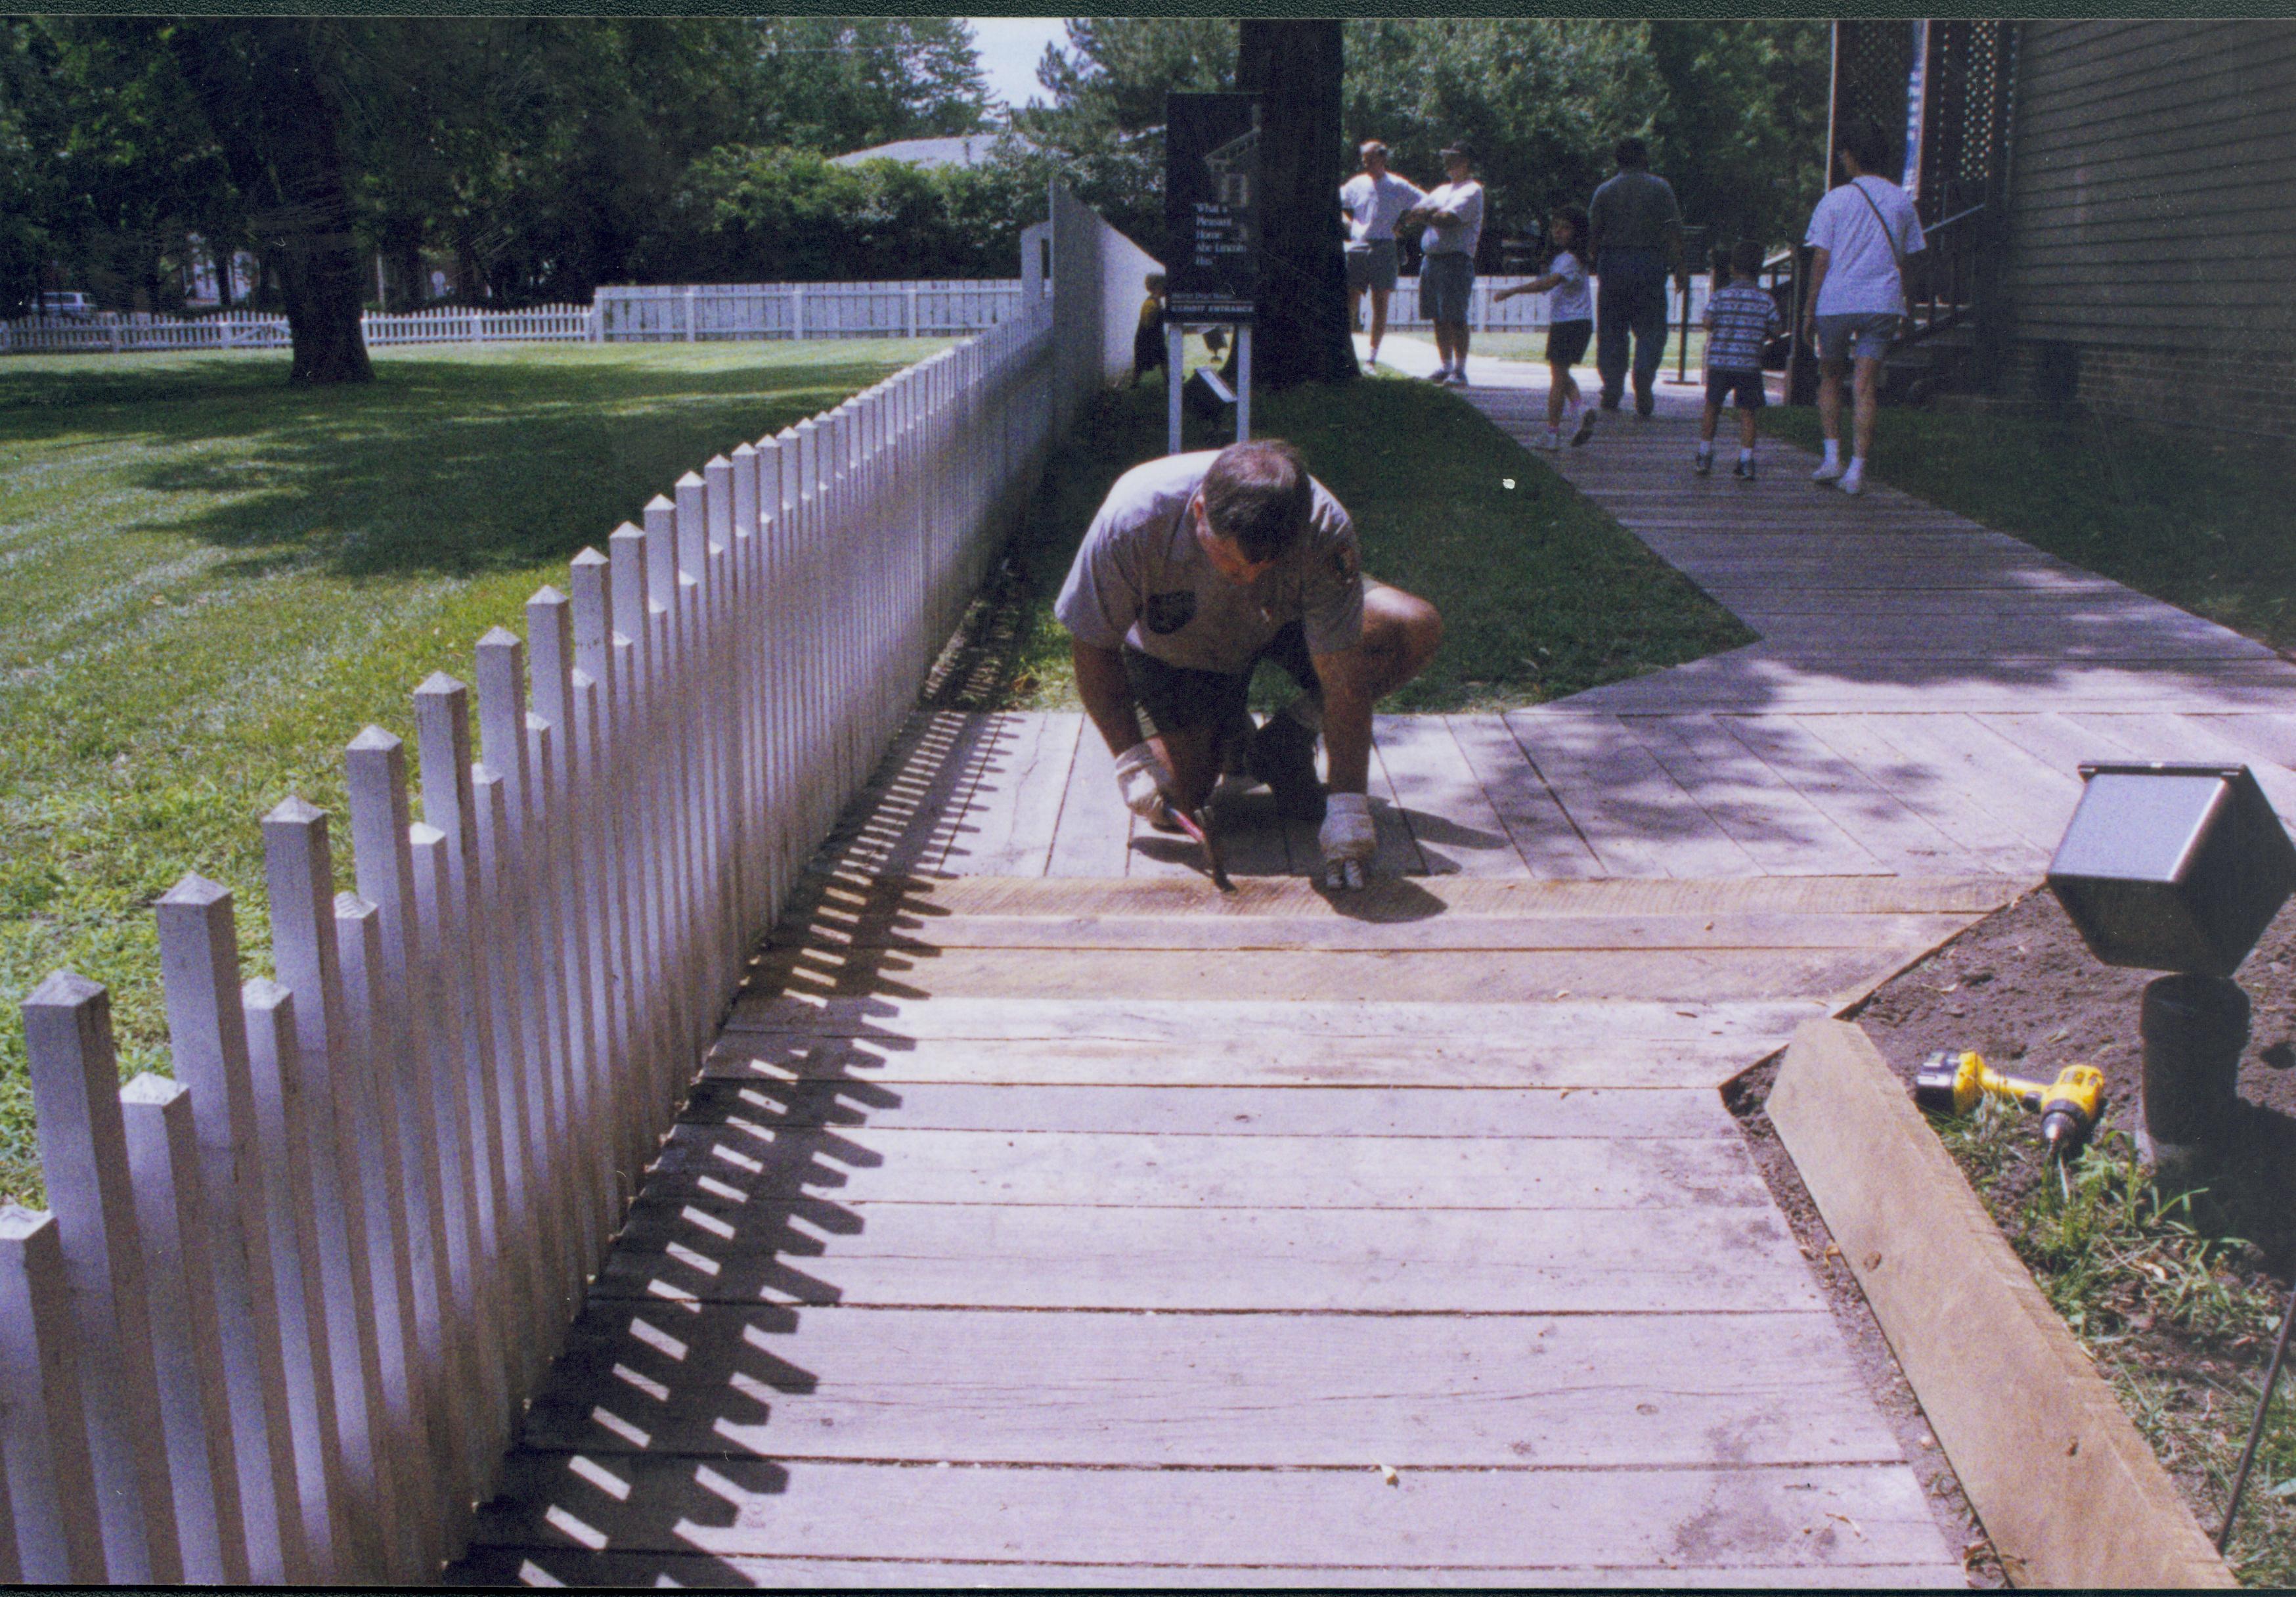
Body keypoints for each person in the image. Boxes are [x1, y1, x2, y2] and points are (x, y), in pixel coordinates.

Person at [1055, 440, 1444, 890]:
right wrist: (1130, 759)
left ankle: (1282, 742)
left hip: (1280, 624)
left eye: (1267, 565)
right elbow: (1092, 645)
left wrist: (1349, 804)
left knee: (1410, 628)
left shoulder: (1322, 528)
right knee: (1177, 797)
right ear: (1200, 510)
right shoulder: (1133, 520)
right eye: (1233, 563)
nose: (1251, 577)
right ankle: (1223, 727)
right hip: (1179, 654)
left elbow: (1345, 680)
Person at [1800, 118, 1924, 497]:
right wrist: (1908, 308)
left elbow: (1821, 259)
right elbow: (1911, 260)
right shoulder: (1902, 201)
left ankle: (1832, 457)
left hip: (1837, 301)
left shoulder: (1834, 200)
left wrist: (1808, 310)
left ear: (1851, 157)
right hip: (1881, 302)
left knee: (1831, 378)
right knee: (1866, 386)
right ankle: (1857, 470)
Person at [1586, 136, 1689, 418]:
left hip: (1613, 262)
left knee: (1612, 330)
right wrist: (1680, 266)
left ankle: (1612, 386)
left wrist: (1590, 260)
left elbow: (1593, 233)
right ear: (1643, 158)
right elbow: (1673, 231)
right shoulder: (1660, 188)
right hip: (1649, 262)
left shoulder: (1604, 191)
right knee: (1652, 327)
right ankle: (1643, 370)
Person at [1491, 206, 1593, 449]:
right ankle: (1580, 409)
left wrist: (1513, 290)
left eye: (1566, 227)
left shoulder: (1569, 260)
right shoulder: (1568, 258)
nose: (1558, 231)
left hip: (1569, 324)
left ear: (1577, 232)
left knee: (1557, 379)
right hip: (1574, 323)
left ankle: (1552, 433)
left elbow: (1548, 284)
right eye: (1556, 226)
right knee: (1560, 373)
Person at [1696, 240, 1784, 480]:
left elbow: (1707, 322)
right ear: (1760, 270)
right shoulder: (1765, 300)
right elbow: (1777, 329)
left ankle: (1704, 454)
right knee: (1748, 413)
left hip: (1721, 362)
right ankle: (1746, 460)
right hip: (1748, 365)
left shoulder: (1721, 296)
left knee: (1712, 407)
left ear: (1732, 268)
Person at [1398, 145, 1484, 387]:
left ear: (1466, 162)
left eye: (1453, 160)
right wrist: (1431, 212)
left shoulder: (1473, 190)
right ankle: (1445, 366)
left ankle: (1460, 370)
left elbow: (1449, 220)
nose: (1448, 165)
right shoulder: (1442, 189)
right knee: (1437, 316)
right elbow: (1414, 212)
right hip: (1432, 259)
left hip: (1455, 260)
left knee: (1455, 316)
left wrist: (1429, 214)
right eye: (1446, 159)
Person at [1338, 140, 1426, 370]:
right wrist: (1348, 224)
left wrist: (1405, 222)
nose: (1366, 164)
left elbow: (1427, 202)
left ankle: (1371, 358)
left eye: (1371, 159)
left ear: (1383, 158)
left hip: (1385, 246)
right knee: (1350, 298)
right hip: (1358, 245)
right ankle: (1346, 353)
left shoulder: (1397, 185)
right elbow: (1335, 201)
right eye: (1364, 160)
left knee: (1380, 302)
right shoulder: (1357, 183)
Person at [1129, 272, 1167, 389]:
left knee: (1163, 358)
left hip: (1151, 337)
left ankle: (1168, 379)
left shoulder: (1154, 301)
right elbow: (1149, 321)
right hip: (1148, 338)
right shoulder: (1151, 303)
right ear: (1157, 287)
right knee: (1142, 362)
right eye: (1163, 286)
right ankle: (1134, 384)